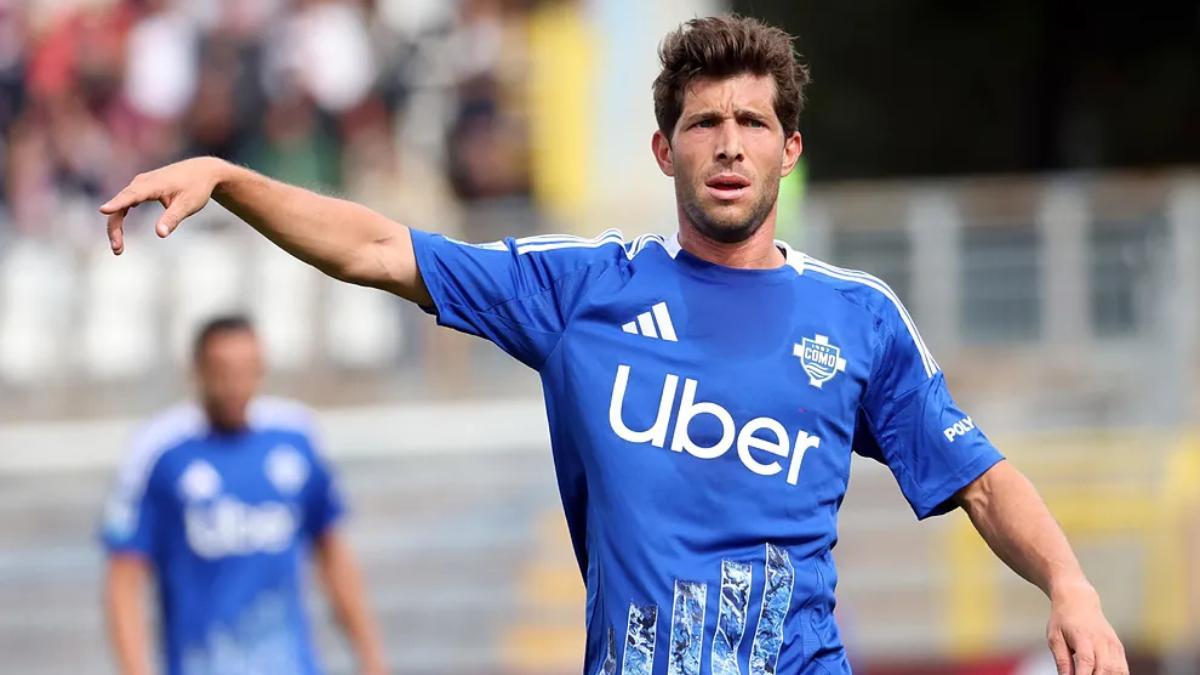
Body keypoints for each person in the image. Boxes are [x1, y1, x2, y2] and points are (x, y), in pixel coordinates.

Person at [99, 14, 1128, 675]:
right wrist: (233, 180)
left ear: (790, 149)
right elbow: (378, 247)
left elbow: (982, 480)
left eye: (754, 123)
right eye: (705, 122)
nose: (730, 142)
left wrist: (1071, 585)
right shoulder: (583, 288)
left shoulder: (856, 318)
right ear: (664, 148)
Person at [100, 316, 387, 675]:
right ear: (198, 371)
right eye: (222, 370)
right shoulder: (160, 450)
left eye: (246, 369)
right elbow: (124, 578)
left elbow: (334, 555)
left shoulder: (296, 437)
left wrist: (372, 660)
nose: (234, 384)